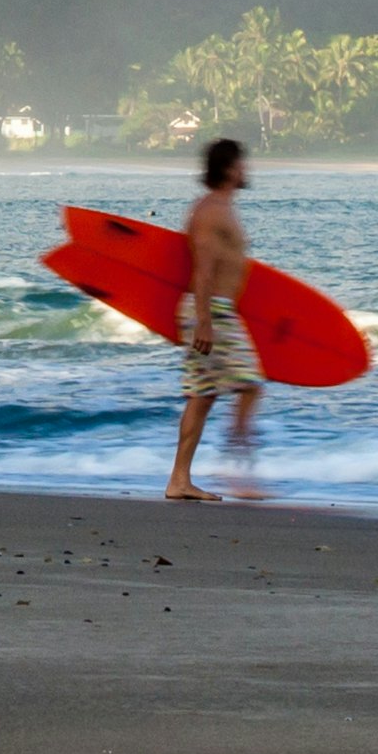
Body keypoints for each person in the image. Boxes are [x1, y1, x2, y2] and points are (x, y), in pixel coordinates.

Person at [166, 133, 259, 498]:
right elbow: (202, 270)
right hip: (213, 312)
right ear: (229, 169)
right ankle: (235, 472)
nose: (246, 169)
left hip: (214, 310)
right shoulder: (211, 212)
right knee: (250, 385)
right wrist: (204, 320)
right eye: (241, 163)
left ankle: (179, 481)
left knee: (202, 396)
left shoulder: (221, 208)